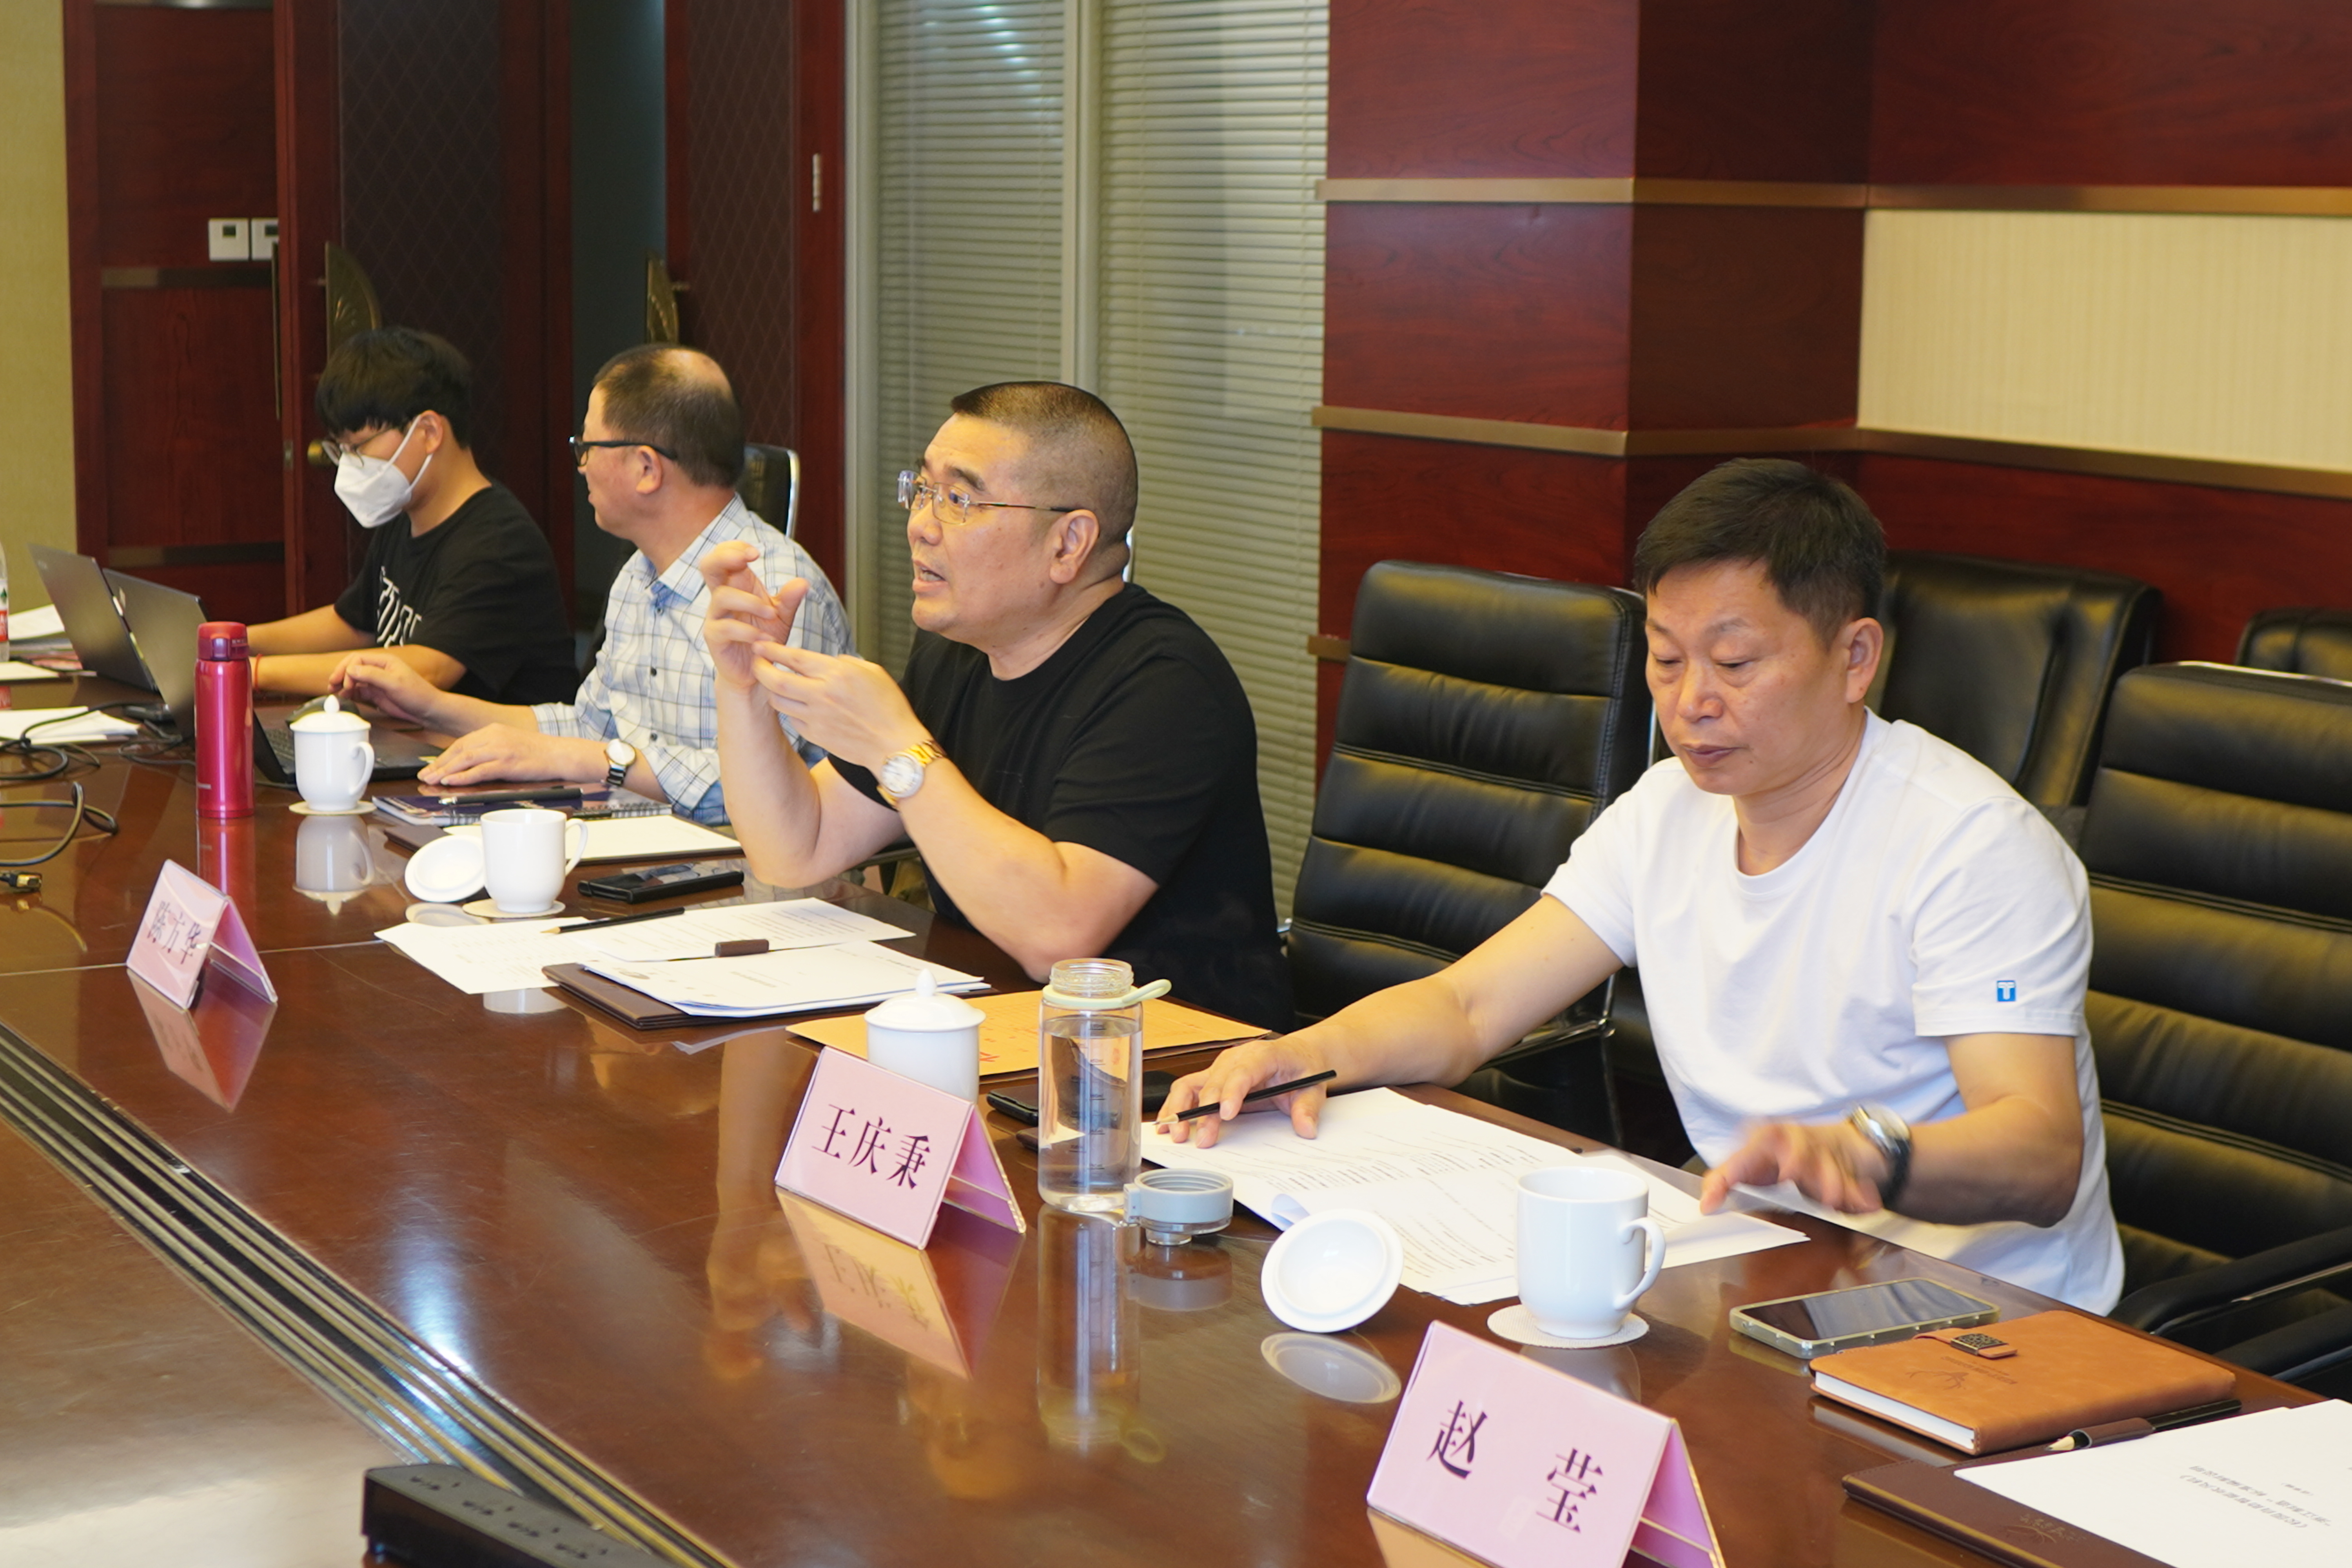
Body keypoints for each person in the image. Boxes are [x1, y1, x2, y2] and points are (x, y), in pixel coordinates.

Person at [1162, 460, 2124, 1311]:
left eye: (1735, 662)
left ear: (1855, 658)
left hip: (1980, 1310)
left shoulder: (1972, 847)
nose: (1690, 701)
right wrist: (1306, 1055)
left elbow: (2040, 1154)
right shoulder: (1669, 809)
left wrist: (1869, 1151)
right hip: (1764, 1265)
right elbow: (1467, 1006)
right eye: (1667, 658)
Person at [702, 381, 1290, 1029]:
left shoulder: (1166, 685)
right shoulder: (955, 654)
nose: (920, 525)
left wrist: (897, 748)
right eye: (923, 490)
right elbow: (796, 848)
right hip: (998, 1023)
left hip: (1172, 1057)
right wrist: (742, 685)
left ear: (1068, 544)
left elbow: (1057, 938)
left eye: (960, 500)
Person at [330, 346, 852, 824]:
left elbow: (760, 792)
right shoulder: (638, 575)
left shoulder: (774, 590)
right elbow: (590, 726)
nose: (580, 466)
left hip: (747, 874)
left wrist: (588, 759)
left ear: (646, 468)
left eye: (586, 446)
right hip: (643, 847)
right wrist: (430, 705)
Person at [247, 327, 576, 704]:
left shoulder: (500, 546)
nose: (350, 466)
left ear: (429, 431)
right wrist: (237, 640)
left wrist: (256, 673)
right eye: (342, 450)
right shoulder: (407, 512)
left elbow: (426, 669)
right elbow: (355, 623)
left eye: (358, 448)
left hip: (496, 741)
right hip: (411, 734)